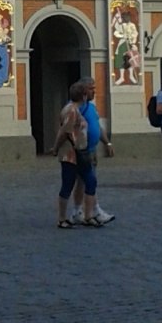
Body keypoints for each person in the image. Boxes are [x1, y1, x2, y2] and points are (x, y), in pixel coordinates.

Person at [53, 82, 106, 229]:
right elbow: (65, 132)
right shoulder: (71, 111)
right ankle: (62, 218)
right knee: (68, 185)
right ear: (83, 95)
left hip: (80, 153)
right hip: (71, 154)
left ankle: (88, 215)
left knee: (90, 181)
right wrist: (56, 148)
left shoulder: (75, 109)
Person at [67, 79, 114, 225]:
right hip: (82, 151)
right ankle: (94, 211)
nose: (95, 91)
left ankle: (77, 211)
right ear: (83, 91)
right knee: (90, 181)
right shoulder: (74, 107)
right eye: (91, 88)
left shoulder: (91, 107)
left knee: (83, 182)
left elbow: (98, 127)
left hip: (92, 150)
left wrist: (107, 142)